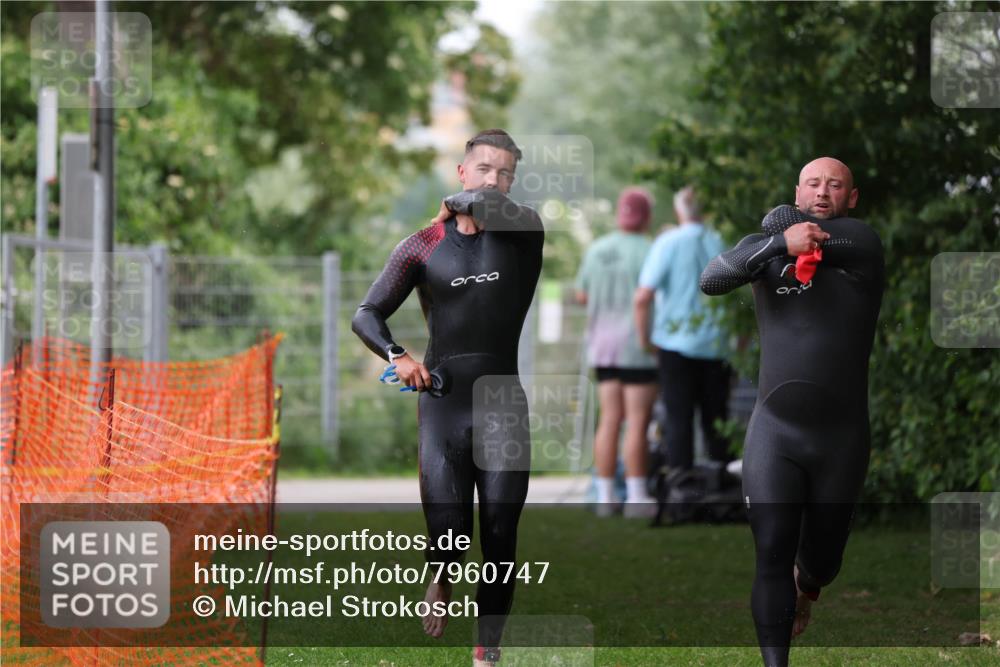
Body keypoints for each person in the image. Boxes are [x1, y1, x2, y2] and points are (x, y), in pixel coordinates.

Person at [352, 129, 543, 667]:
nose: (495, 180)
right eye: (484, 168)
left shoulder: (524, 231)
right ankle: (442, 571)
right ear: (462, 170)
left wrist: (461, 204)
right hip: (443, 402)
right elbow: (366, 313)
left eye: (506, 172)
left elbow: (485, 206)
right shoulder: (422, 244)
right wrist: (397, 356)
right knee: (452, 533)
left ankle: (487, 651)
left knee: (501, 534)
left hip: (503, 404)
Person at [699, 157, 885, 667]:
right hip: (775, 431)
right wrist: (781, 241)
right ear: (798, 190)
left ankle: (810, 583)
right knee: (772, 552)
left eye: (835, 185)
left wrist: (782, 223)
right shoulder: (764, 252)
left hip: (840, 436)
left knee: (821, 562)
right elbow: (713, 279)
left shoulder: (861, 243)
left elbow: (830, 239)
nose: (823, 191)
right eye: (813, 183)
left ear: (851, 197)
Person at [634, 187, 733, 474]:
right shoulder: (722, 241)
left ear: (679, 211)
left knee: (678, 419)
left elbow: (642, 297)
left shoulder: (668, 243)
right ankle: (721, 487)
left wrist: (645, 340)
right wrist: (739, 342)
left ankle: (681, 488)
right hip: (717, 345)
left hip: (674, 344)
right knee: (717, 420)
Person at [574, 187, 659, 517]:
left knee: (609, 419)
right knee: (637, 422)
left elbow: (581, 295)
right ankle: (637, 496)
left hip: (602, 347)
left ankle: (605, 496)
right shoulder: (650, 250)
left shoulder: (597, 249)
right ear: (646, 216)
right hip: (638, 346)